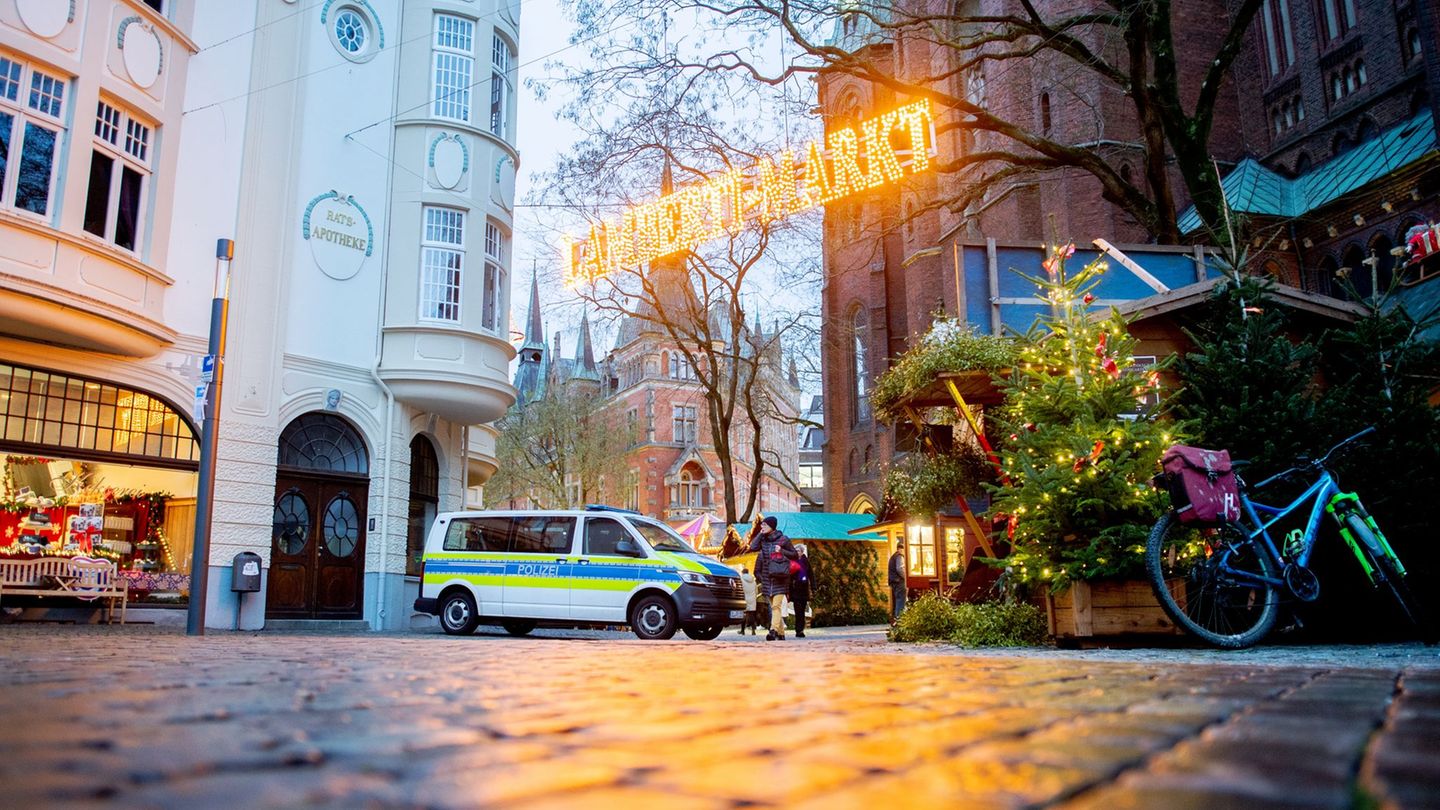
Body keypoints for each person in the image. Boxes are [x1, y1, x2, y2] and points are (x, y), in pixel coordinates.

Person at [747, 515, 798, 640]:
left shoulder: (784, 539)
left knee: (776, 606)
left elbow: (795, 555)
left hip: (780, 579)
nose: (762, 527)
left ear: (772, 526)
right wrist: (760, 533)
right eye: (762, 525)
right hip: (767, 580)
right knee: (774, 608)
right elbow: (752, 547)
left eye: (764, 525)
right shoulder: (763, 540)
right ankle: (781, 633)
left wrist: (782, 551)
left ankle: (773, 631)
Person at [789, 544, 817, 638]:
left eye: (798, 551)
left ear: (802, 552)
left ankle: (801, 629)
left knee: (802, 611)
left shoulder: (806, 561)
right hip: (795, 588)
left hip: (804, 589)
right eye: (795, 550)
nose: (797, 552)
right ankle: (798, 630)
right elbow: (789, 576)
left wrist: (814, 587)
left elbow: (811, 575)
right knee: (798, 611)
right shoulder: (792, 561)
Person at [888, 542, 907, 624]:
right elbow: (900, 569)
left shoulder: (894, 556)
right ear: (901, 549)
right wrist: (907, 578)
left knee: (898, 601)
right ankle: (899, 621)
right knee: (901, 601)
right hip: (899, 582)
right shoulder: (899, 556)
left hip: (894, 582)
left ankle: (897, 621)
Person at [738, 565, 759, 635]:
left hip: (744, 599)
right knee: (752, 615)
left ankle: (742, 630)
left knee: (744, 614)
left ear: (742, 573)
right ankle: (753, 630)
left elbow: (740, 590)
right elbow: (756, 591)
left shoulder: (741, 579)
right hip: (752, 599)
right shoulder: (753, 581)